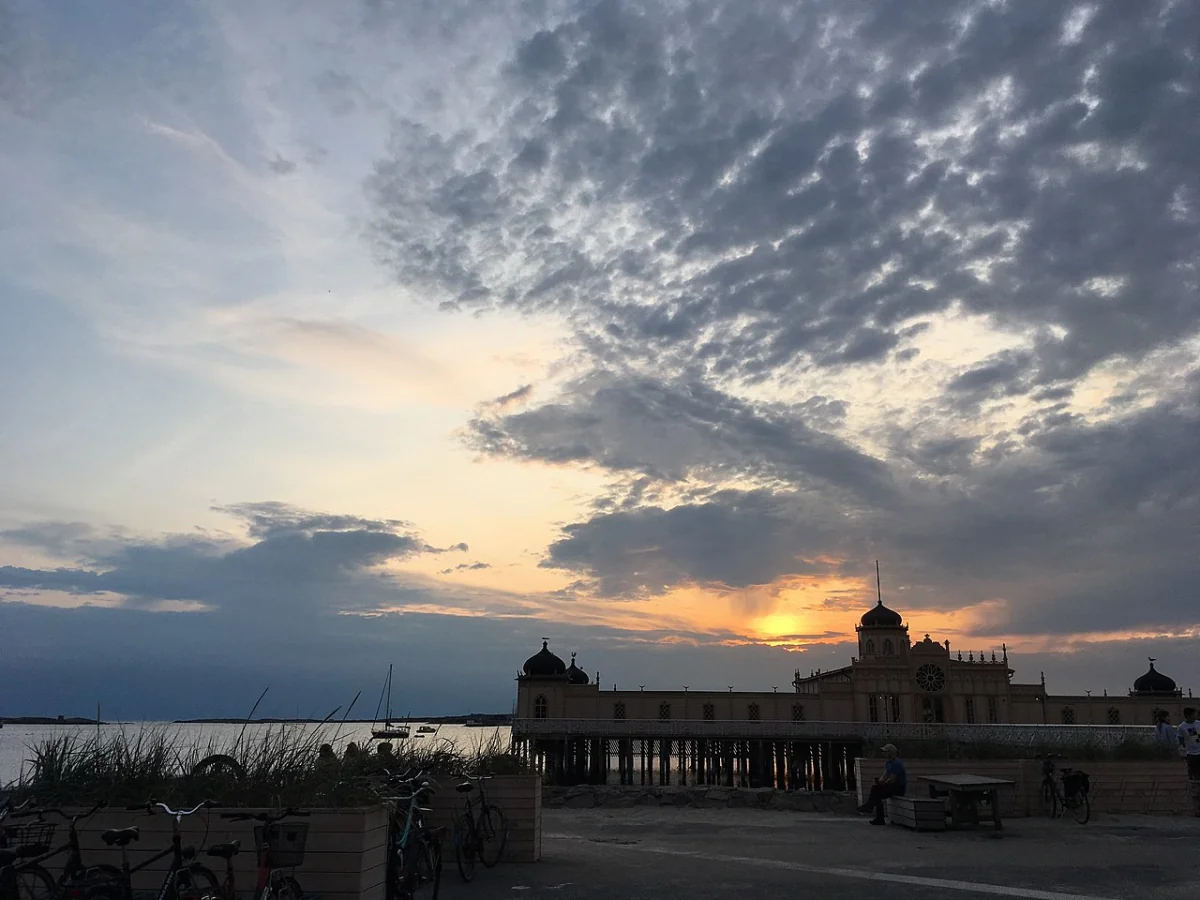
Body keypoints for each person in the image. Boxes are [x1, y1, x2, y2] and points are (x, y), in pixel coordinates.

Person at [857, 743, 906, 824]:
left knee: (876, 792)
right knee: (875, 789)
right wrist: (879, 782)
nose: (884, 753)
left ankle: (871, 809)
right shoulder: (888, 763)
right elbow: (885, 775)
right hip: (892, 786)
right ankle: (872, 810)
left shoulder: (897, 763)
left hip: (899, 788)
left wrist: (883, 784)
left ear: (890, 753)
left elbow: (892, 779)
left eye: (885, 752)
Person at [1178, 708, 1200, 816]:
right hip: (1191, 755)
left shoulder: (1198, 724)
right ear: (1188, 715)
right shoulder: (1182, 727)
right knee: (1194, 780)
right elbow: (1181, 740)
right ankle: (1196, 808)